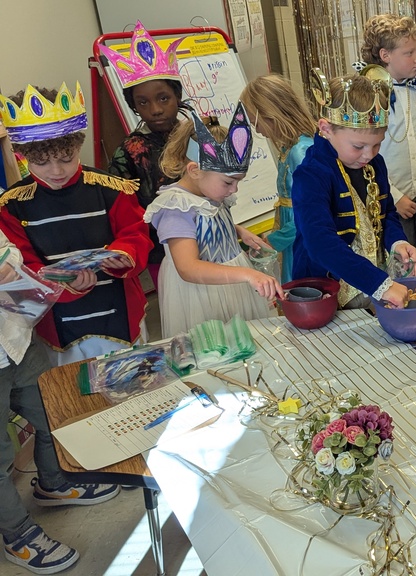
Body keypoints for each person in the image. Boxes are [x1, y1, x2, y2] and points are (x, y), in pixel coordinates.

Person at [0, 83, 152, 365]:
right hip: (59, 326)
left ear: (78, 146)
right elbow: (23, 267)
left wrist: (123, 254)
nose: (56, 170)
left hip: (119, 313)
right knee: (75, 395)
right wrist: (62, 284)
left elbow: (137, 234)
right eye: (42, 162)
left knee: (133, 380)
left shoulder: (111, 189)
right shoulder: (11, 206)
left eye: (66, 158)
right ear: (22, 155)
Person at [0, 232, 120, 574]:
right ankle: (18, 534)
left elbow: (8, 250)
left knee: (53, 413)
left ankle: (53, 483)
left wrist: (8, 265)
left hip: (16, 338)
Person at [143, 104, 283, 337]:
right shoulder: (176, 207)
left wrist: (238, 231)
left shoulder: (210, 192)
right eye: (229, 182)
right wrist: (248, 275)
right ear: (195, 170)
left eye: (238, 182)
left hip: (232, 286)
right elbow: (188, 268)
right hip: (203, 295)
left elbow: (207, 222)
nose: (234, 189)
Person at [291, 68, 416, 309]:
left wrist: (397, 242)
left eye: (377, 145)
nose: (368, 155)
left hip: (373, 286)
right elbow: (320, 243)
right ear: (326, 129)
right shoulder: (311, 174)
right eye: (358, 146)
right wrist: (380, 284)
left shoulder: (375, 163)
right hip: (325, 292)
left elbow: (387, 211)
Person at [358, 14, 416, 278]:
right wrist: (395, 197)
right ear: (385, 55)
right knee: (401, 265)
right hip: (392, 201)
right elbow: (366, 156)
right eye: (409, 53)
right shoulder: (370, 98)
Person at [101, 21, 188, 288]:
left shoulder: (198, 137)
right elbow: (121, 208)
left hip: (209, 239)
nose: (156, 109)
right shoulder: (129, 153)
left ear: (176, 95)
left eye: (163, 98)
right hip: (160, 251)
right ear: (134, 107)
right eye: (143, 102)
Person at [240, 73, 317, 283]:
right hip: (291, 236)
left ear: (270, 115)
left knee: (300, 284)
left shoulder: (301, 151)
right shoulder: (289, 147)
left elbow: (309, 213)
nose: (255, 128)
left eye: (254, 119)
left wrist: (275, 240)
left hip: (300, 238)